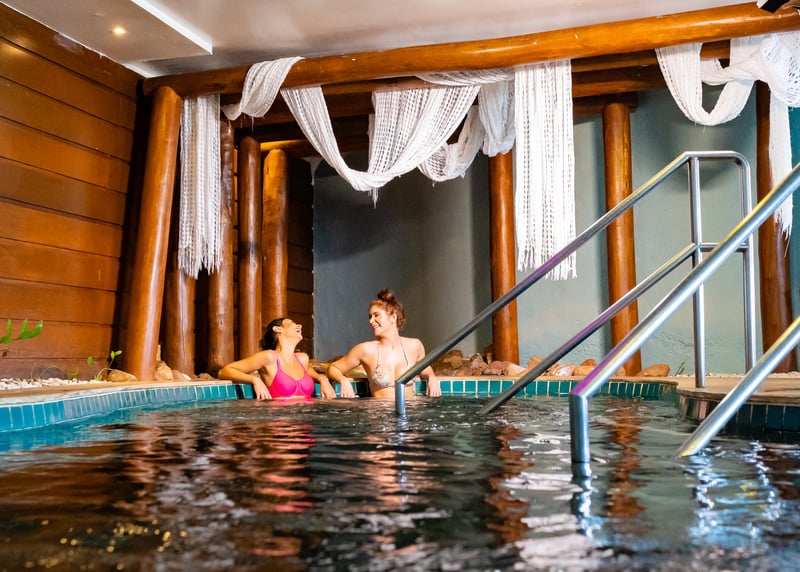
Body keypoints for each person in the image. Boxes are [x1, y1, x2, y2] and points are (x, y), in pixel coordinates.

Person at [327, 289, 441, 399]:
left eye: (376, 315)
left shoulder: (415, 346)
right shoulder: (365, 350)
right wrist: (343, 381)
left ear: (393, 317)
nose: (371, 321)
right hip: (380, 411)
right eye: (370, 317)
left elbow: (424, 368)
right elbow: (333, 368)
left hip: (408, 411)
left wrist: (432, 377)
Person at [219, 317, 337, 400]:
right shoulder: (269, 357)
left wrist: (322, 379)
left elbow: (309, 371)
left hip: (305, 423)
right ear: (278, 329)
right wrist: (254, 380)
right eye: (292, 322)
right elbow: (225, 371)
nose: (299, 326)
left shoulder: (302, 359)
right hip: (281, 425)